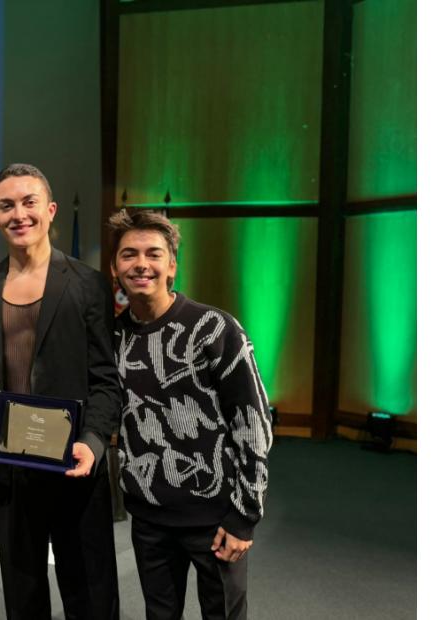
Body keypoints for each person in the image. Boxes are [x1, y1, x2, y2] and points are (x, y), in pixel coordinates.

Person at [0, 163, 121, 619]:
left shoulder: (88, 284)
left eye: (29, 202)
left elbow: (107, 379)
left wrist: (92, 444)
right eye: (6, 206)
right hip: (12, 472)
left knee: (89, 594)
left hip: (76, 466)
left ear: (50, 210)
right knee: (23, 596)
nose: (19, 214)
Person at [107, 209, 273, 620]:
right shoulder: (111, 337)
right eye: (129, 254)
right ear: (114, 267)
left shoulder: (215, 329)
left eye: (153, 253)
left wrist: (244, 517)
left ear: (172, 265)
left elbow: (253, 423)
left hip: (216, 517)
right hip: (148, 516)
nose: (141, 263)